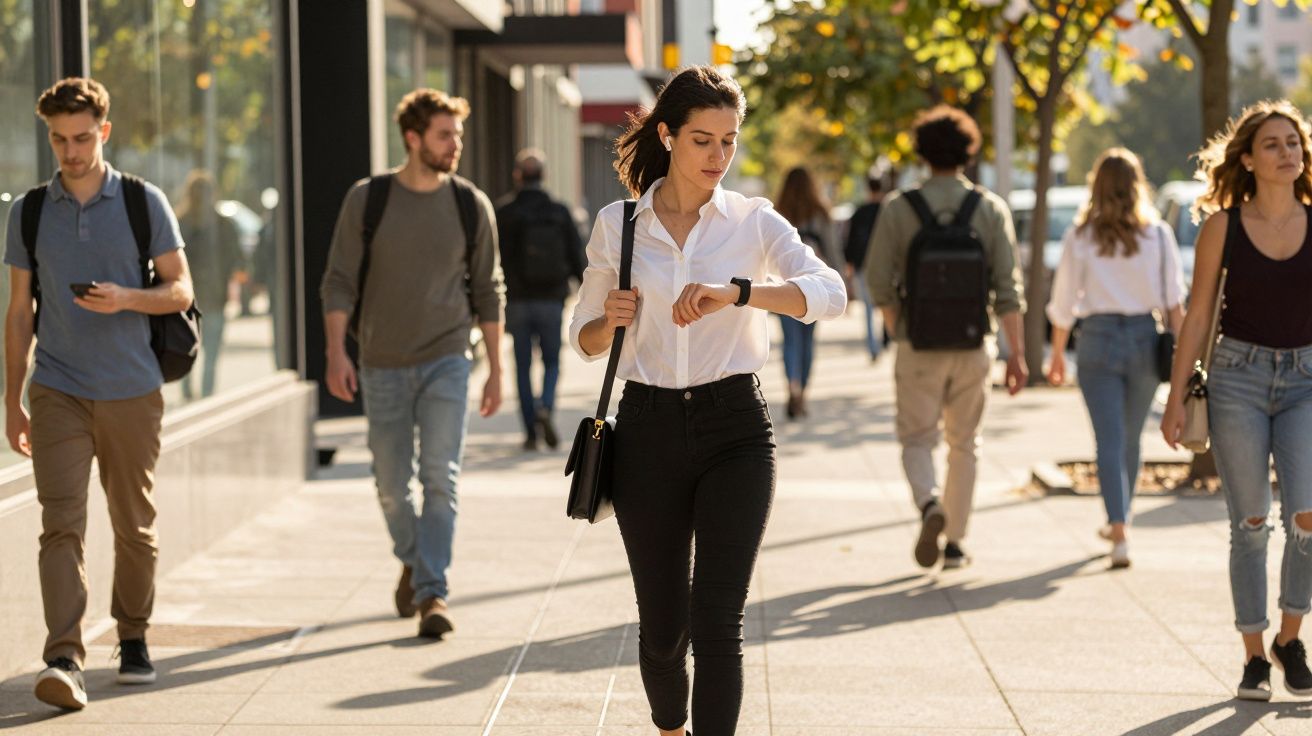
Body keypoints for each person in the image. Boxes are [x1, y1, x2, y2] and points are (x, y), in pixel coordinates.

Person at [570, 66, 846, 735]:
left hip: (736, 430)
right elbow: (583, 340)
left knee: (718, 618)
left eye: (728, 141)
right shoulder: (620, 225)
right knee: (664, 630)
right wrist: (611, 316)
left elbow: (830, 291)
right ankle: (670, 728)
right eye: (702, 140)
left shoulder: (753, 222)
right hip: (647, 431)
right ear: (666, 136)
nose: (718, 157)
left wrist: (742, 292)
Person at [4, 77, 194, 709]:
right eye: (59, 140)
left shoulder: (144, 202)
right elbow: (19, 314)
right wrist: (13, 399)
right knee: (60, 526)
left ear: (104, 132)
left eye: (82, 138)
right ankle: (64, 654)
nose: (71, 152)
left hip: (131, 390)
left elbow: (181, 291)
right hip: (57, 386)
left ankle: (133, 635)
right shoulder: (28, 211)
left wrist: (126, 300)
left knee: (133, 526)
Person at [320, 88, 505, 638]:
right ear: (413, 138)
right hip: (380, 362)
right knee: (390, 484)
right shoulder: (367, 199)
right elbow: (338, 282)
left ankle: (433, 594)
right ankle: (416, 558)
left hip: (449, 357)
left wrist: (496, 367)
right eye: (445, 135)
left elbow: (490, 290)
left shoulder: (471, 204)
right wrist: (336, 354)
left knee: (440, 479)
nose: (456, 146)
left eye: (459, 136)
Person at [1162, 100, 1312, 702]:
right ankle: (1254, 655)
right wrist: (1175, 398)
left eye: (1294, 143)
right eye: (1273, 144)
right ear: (1247, 159)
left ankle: (1291, 637)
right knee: (1250, 523)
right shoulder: (1223, 226)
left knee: (1306, 517)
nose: (1288, 153)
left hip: (1306, 378)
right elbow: (1198, 315)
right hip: (1237, 379)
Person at [866, 105, 1028, 571]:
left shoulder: (900, 208)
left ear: (921, 153)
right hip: (974, 346)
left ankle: (927, 504)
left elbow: (878, 281)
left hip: (919, 345)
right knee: (965, 443)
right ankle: (955, 542)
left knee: (917, 439)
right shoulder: (989, 208)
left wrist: (902, 329)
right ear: (968, 152)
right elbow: (1008, 289)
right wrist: (1015, 355)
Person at [1046, 148, 1186, 570]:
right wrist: (1184, 359)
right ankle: (1122, 520)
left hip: (1098, 340)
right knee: (1130, 437)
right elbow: (1174, 303)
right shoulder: (1158, 234)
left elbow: (1064, 302)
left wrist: (1055, 353)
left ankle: (1118, 525)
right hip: (1146, 337)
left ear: (1097, 186)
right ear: (1137, 185)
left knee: (1107, 439)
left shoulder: (1081, 236)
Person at [495, 149, 585, 451]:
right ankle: (545, 405)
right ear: (543, 176)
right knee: (551, 361)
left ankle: (530, 430)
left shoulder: (505, 212)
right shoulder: (558, 211)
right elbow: (576, 255)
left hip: (517, 300)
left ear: (517, 175)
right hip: (551, 299)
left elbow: (494, 259)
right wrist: (587, 291)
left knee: (521, 365)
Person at [773, 166, 841, 419]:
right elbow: (833, 250)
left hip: (784, 288)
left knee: (790, 342)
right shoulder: (821, 212)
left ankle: (793, 385)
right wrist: (840, 285)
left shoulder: (778, 212)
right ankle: (804, 391)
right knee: (808, 341)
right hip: (816, 289)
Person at [174, 170, 246, 399]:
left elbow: (236, 257)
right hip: (191, 298)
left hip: (206, 296)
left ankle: (202, 393)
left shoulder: (219, 224)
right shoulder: (183, 223)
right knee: (196, 349)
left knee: (197, 349)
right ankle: (200, 393)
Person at [844, 161, 896, 362]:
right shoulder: (888, 210)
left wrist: (849, 268)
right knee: (885, 302)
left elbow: (850, 242)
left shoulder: (859, 212)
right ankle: (886, 338)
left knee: (867, 309)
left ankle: (873, 347)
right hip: (886, 267)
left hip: (862, 267)